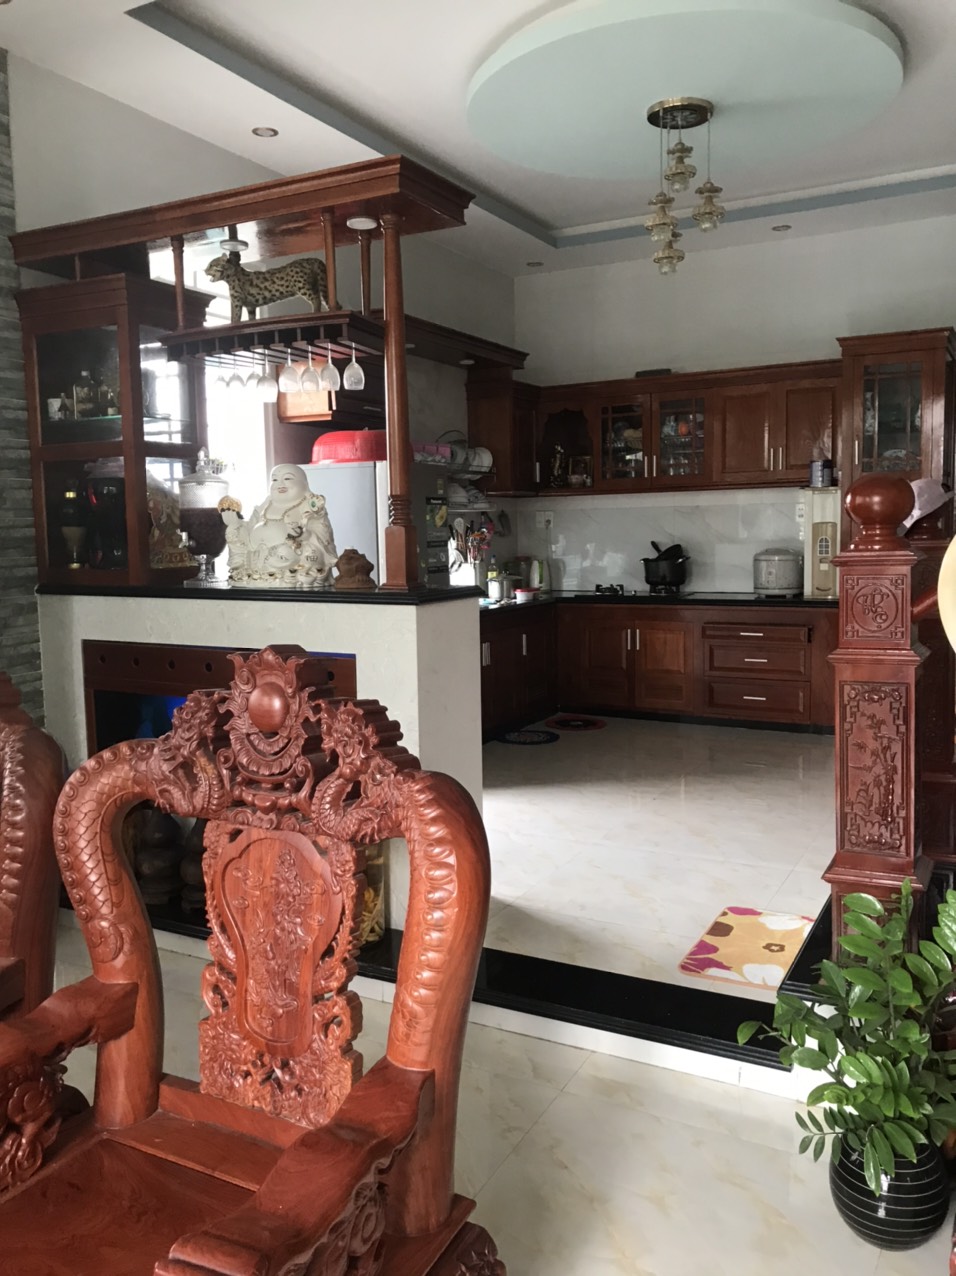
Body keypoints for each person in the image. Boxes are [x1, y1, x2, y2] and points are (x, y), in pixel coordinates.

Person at [221, 464, 338, 586]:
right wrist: (236, 524)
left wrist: (303, 534)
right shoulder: (266, 504)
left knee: (289, 552)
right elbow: (250, 528)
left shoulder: (310, 506)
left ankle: (287, 574)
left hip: (288, 556)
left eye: (287, 478)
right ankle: (251, 573)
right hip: (256, 556)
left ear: (304, 484)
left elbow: (322, 536)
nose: (280, 484)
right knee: (234, 531)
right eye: (275, 480)